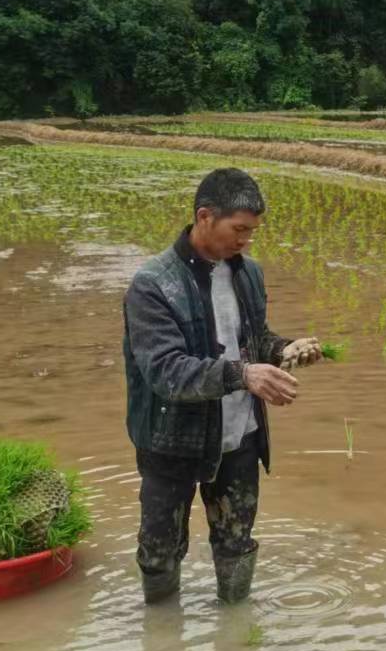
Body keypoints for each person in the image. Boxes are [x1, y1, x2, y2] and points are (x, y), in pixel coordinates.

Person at [123, 167, 321, 606]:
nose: (246, 240)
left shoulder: (248, 273)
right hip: (171, 439)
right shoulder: (154, 284)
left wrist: (285, 350)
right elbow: (165, 371)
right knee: (159, 550)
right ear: (205, 216)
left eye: (252, 232)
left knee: (236, 539)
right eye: (240, 230)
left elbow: (253, 339)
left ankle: (235, 636)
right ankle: (161, 637)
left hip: (239, 436)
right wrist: (245, 374)